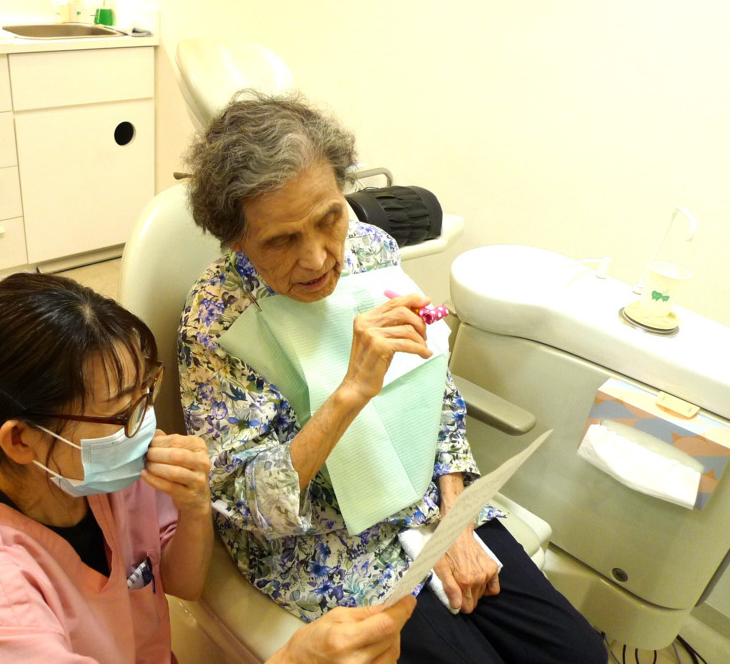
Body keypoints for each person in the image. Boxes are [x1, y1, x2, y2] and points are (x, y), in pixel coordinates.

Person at [178, 92, 608, 663]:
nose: (317, 259)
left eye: (329, 218)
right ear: (236, 239)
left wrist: (454, 521)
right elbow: (247, 504)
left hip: (428, 500)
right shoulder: (216, 318)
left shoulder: (371, 251)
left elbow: (437, 394)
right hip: (330, 545)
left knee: (581, 654)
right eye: (281, 240)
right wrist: (349, 392)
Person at [0, 272, 416, 663]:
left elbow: (182, 584)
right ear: (22, 439)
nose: (146, 423)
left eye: (144, 392)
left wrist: (194, 505)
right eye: (121, 412)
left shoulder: (97, 472)